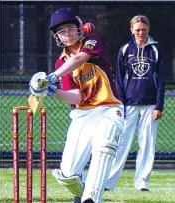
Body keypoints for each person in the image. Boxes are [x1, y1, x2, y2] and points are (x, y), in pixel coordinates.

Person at [30, 8, 124, 203]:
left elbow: (80, 58)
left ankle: (91, 198)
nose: (68, 34)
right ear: (57, 37)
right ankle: (82, 194)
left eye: (71, 28)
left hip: (109, 108)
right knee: (68, 174)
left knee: (103, 147)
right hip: (83, 115)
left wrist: (53, 77)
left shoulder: (92, 41)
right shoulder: (60, 63)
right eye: (62, 31)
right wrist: (53, 91)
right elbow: (77, 97)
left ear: (79, 27)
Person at [105, 15, 165, 192]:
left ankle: (142, 183)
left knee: (147, 144)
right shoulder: (124, 50)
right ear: (131, 30)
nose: (141, 32)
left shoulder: (156, 50)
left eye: (144, 29)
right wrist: (120, 104)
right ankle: (109, 182)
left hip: (150, 104)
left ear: (148, 29)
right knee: (121, 143)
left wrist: (159, 106)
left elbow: (161, 80)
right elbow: (118, 81)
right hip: (128, 104)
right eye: (137, 29)